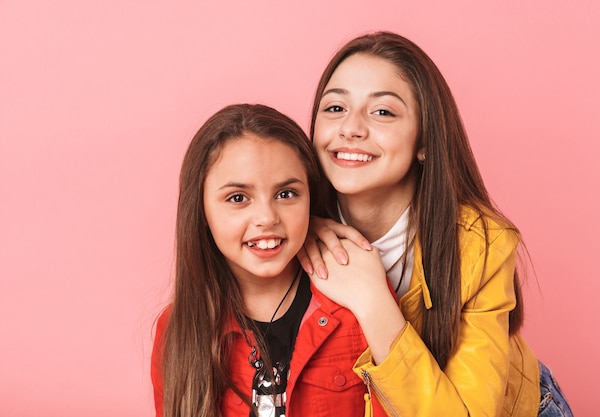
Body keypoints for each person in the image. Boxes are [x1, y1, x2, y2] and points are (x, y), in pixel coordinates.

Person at [298, 31, 574, 417]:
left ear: (424, 140)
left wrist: (371, 298)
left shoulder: (481, 244)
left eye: (382, 112)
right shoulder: (289, 225)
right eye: (334, 108)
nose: (351, 128)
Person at [150, 103, 386, 417]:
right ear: (202, 210)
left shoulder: (359, 302)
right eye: (238, 198)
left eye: (286, 194)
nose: (266, 217)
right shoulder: (178, 329)